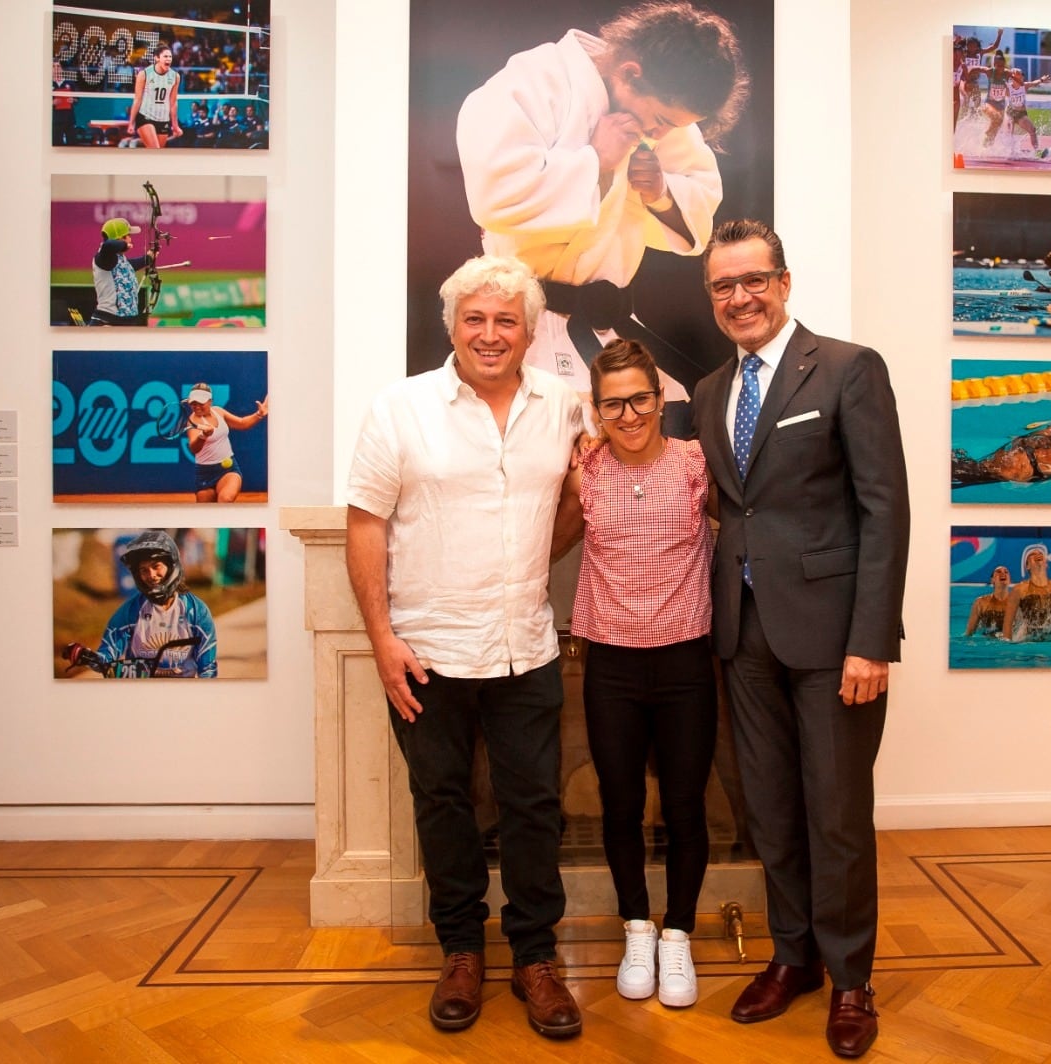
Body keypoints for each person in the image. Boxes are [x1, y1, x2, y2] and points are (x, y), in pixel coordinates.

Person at [345, 255, 585, 1040]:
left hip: (526, 645)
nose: (490, 334)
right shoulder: (399, 408)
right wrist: (381, 640)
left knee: (533, 808)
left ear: (530, 330)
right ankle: (459, 951)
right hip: (427, 654)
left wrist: (523, 564)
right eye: (475, 319)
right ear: (451, 326)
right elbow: (365, 526)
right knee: (442, 806)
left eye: (506, 320)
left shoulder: (564, 407)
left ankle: (536, 959)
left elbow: (577, 501)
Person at [691, 219, 909, 1059]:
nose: (739, 297)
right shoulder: (712, 392)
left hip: (832, 641)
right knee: (772, 812)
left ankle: (852, 978)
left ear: (783, 283)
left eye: (753, 280)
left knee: (838, 814)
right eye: (722, 286)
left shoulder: (849, 369)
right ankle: (795, 957)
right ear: (710, 298)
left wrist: (871, 643)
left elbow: (884, 509)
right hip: (741, 635)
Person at [455, 1, 751, 435]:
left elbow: (700, 196)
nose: (663, 135)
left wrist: (661, 193)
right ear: (631, 73)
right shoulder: (531, 83)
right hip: (524, 322)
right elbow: (493, 195)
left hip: (608, 326)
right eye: (663, 121)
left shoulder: (661, 107)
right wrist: (596, 160)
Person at [552, 339, 716, 1010]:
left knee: (683, 807)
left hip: (686, 663)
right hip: (610, 664)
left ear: (661, 399)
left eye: (639, 399)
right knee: (618, 805)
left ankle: (678, 933)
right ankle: (637, 927)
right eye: (613, 402)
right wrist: (564, 486)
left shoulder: (697, 464)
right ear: (598, 408)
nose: (628, 414)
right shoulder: (584, 469)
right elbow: (552, 545)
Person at [96, 530, 217, 678]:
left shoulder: (195, 610)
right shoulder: (131, 611)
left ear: (171, 566)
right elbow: (107, 653)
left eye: (156, 566)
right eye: (144, 570)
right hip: (140, 693)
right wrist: (91, 658)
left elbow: (208, 668)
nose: (151, 575)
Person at [183, 382, 269, 502]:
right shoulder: (192, 421)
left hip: (228, 470)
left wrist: (259, 414)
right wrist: (203, 436)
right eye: (193, 403)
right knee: (206, 515)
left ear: (210, 401)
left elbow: (242, 423)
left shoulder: (219, 411)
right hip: (205, 474)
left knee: (225, 499)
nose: (196, 406)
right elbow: (194, 449)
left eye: (200, 402)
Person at [1002, 545, 1051, 641]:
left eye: (1040, 553)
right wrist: (1007, 647)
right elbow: (1008, 624)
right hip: (1029, 640)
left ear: (1046, 564)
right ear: (1027, 566)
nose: (1037, 554)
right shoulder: (1018, 589)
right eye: (1032, 554)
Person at [88, 218, 153, 326]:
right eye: (127, 236)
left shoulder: (119, 259)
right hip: (107, 321)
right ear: (119, 238)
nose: (130, 239)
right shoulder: (104, 257)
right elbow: (107, 245)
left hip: (124, 322)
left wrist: (148, 258)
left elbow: (128, 267)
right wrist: (124, 245)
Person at [127, 44, 182, 148]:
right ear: (157, 58)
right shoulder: (144, 74)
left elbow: (173, 102)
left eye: (170, 57)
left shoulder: (175, 76)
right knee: (155, 148)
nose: (168, 59)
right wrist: (131, 123)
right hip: (145, 116)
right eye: (165, 56)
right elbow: (137, 100)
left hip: (163, 118)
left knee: (157, 155)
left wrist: (175, 126)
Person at [1004, 69, 1051, 156]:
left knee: (1032, 129)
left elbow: (1034, 83)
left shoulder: (1024, 86)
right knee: (1009, 132)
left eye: (1022, 74)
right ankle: (1007, 152)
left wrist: (1042, 80)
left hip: (1021, 114)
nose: (1022, 76)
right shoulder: (1008, 88)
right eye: (1018, 74)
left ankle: (1037, 151)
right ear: (1013, 77)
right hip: (1010, 113)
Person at [963, 566, 1011, 636]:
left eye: (1006, 572)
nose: (1003, 573)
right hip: (988, 641)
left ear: (1010, 580)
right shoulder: (980, 603)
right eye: (998, 572)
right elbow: (969, 633)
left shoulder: (1018, 602)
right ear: (992, 580)